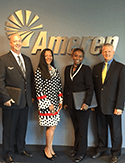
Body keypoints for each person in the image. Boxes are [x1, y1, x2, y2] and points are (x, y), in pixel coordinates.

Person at [0, 34, 34, 163]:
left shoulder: (27, 59)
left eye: (19, 41)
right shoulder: (3, 59)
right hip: (11, 102)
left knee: (22, 127)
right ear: (10, 43)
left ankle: (21, 149)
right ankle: (8, 152)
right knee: (9, 128)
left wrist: (31, 97)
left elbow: (29, 80)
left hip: (25, 102)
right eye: (15, 41)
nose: (17, 43)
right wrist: (6, 98)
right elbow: (0, 81)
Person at [92, 43, 125, 163]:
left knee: (115, 131)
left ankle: (115, 153)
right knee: (100, 129)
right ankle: (101, 149)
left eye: (109, 51)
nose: (107, 53)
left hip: (113, 106)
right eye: (105, 51)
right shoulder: (96, 68)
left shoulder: (121, 68)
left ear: (113, 52)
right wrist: (93, 104)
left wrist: (119, 106)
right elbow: (95, 88)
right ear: (102, 53)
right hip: (99, 105)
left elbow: (122, 89)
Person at [63, 48, 93, 163]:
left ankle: (81, 153)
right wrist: (65, 102)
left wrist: (87, 103)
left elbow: (90, 87)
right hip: (71, 105)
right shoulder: (67, 69)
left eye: (80, 56)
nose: (77, 58)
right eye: (75, 56)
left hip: (82, 106)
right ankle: (76, 150)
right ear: (72, 56)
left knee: (82, 130)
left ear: (82, 58)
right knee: (76, 129)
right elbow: (66, 86)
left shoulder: (86, 69)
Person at [34, 48, 63, 161]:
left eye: (50, 55)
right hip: (46, 104)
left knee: (53, 126)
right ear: (42, 57)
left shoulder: (55, 70)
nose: (48, 57)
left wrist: (60, 100)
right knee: (51, 126)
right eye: (46, 56)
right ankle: (47, 149)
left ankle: (50, 148)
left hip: (55, 103)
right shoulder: (39, 71)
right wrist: (47, 104)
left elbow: (59, 86)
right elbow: (38, 89)